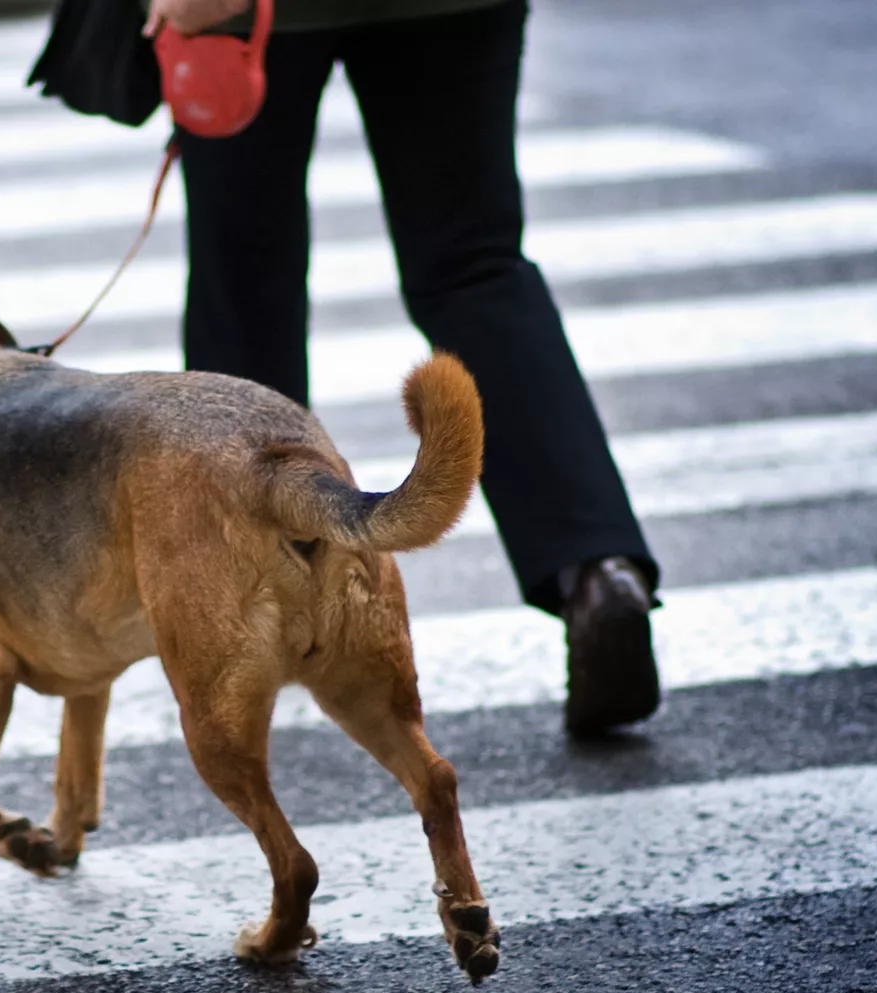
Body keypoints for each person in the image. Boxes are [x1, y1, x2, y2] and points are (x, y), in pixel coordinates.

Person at [141, 0, 662, 736]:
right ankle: (596, 568)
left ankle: (259, 600)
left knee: (245, 279)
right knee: (474, 267)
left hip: (256, 15)